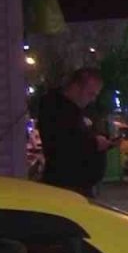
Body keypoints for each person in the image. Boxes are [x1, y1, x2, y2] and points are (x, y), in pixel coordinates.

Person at [38, 67, 110, 197]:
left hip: (77, 186)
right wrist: (95, 143)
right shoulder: (57, 110)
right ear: (76, 88)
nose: (92, 99)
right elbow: (66, 145)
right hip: (67, 187)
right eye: (90, 94)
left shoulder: (75, 111)